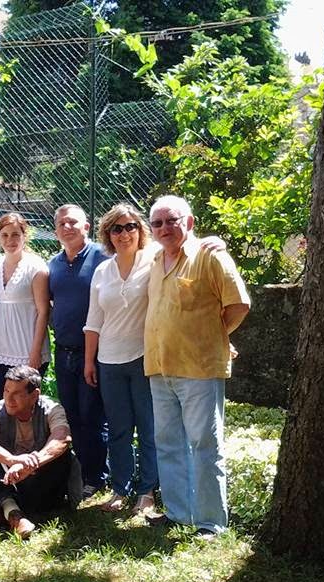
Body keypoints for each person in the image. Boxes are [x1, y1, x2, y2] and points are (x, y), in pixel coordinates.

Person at [144, 195, 250, 537]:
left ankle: (210, 522)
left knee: (205, 444)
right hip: (159, 366)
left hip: (199, 368)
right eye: (157, 223)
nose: (164, 228)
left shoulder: (210, 255)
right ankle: (178, 513)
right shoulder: (155, 259)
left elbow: (238, 304)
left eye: (171, 220)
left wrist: (215, 336)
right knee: (167, 442)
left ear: (189, 222)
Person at [83, 203, 159, 515]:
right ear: (108, 234)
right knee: (118, 429)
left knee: (148, 427)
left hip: (144, 358)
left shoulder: (153, 260)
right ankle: (120, 489)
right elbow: (93, 321)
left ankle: (147, 491)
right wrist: (89, 361)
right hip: (109, 361)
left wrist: (213, 243)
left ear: (141, 231)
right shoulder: (102, 271)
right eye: (117, 228)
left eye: (131, 227)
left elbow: (184, 244)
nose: (124, 233)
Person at [0, 365, 82, 538]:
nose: (9, 398)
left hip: (41, 480)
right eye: (6, 391)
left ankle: (3, 515)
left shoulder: (51, 408)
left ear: (34, 395)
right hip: (7, 479)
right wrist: (11, 460)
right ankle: (14, 515)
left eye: (16, 394)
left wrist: (30, 465)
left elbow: (62, 437)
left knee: (61, 453)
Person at [48, 204, 109, 497]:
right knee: (72, 414)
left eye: (73, 222)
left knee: (92, 415)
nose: (67, 227)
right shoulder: (53, 264)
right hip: (64, 352)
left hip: (95, 352)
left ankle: (97, 476)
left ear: (87, 226)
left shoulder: (102, 257)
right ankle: (82, 473)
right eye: (61, 223)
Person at [0, 212, 51, 406]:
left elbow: (43, 311)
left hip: (27, 351)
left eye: (15, 235)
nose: (10, 240)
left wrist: (35, 353)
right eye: (4, 235)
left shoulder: (36, 267)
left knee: (23, 408)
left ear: (24, 236)